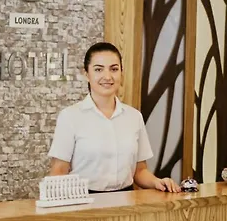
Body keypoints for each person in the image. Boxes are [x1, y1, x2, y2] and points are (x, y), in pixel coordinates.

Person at [48, 42, 181, 193]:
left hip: (127, 199)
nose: (107, 76)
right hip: (85, 200)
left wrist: (157, 182)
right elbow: (59, 171)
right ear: (86, 74)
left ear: (121, 73)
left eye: (114, 69)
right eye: (98, 69)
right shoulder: (70, 117)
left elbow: (139, 171)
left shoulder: (134, 117)